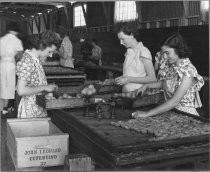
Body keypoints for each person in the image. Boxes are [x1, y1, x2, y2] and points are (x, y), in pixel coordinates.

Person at [133, 33, 204, 117]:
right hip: (171, 111)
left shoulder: (189, 70)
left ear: (178, 50)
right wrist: (147, 85)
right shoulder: (173, 66)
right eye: (163, 53)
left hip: (185, 115)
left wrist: (147, 113)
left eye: (167, 53)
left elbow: (175, 101)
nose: (165, 57)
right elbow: (166, 84)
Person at [16, 30, 60, 118]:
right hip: (30, 112)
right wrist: (44, 87)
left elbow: (34, 83)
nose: (50, 55)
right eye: (49, 51)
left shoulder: (35, 59)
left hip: (38, 108)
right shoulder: (27, 61)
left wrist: (47, 87)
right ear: (42, 46)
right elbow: (21, 90)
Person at [114, 22, 156, 93]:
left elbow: (152, 78)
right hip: (126, 92)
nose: (121, 42)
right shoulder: (128, 51)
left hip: (137, 93)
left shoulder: (143, 51)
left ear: (132, 35)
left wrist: (128, 79)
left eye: (123, 39)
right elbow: (133, 73)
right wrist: (123, 77)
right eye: (120, 40)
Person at [0, 21, 23, 115]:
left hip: (1, 64)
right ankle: (5, 109)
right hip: (10, 65)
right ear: (16, 30)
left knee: (1, 85)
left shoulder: (1, 39)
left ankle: (1, 107)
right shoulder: (17, 40)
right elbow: (20, 56)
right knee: (9, 87)